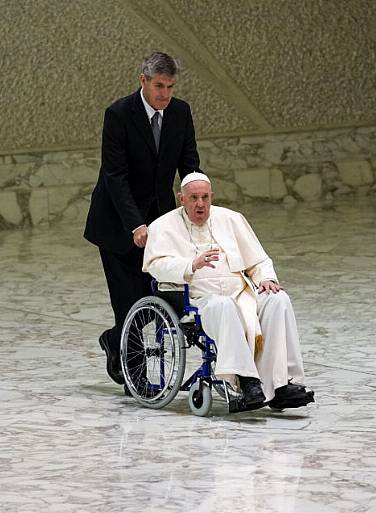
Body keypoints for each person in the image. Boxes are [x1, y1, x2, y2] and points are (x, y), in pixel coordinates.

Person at [142, 172, 315, 410]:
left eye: (205, 197)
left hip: (242, 293)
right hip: (199, 299)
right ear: (181, 198)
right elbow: (156, 267)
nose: (200, 204)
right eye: (193, 198)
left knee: (278, 299)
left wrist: (266, 278)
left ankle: (281, 384)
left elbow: (259, 260)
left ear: (212, 196)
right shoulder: (163, 226)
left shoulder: (231, 219)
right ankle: (246, 382)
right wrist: (191, 264)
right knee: (223, 306)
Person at [84, 51, 200, 386]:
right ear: (143, 81)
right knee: (127, 300)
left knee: (156, 294)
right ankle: (136, 379)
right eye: (159, 86)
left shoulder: (180, 112)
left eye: (170, 87)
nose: (165, 94)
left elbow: (189, 162)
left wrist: (197, 198)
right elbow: (115, 176)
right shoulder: (119, 114)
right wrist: (136, 224)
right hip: (118, 222)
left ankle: (113, 339)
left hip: (160, 219)